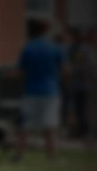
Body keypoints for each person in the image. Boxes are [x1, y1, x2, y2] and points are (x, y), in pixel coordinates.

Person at [14, 19, 67, 161]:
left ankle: (19, 155)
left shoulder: (28, 48)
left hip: (31, 91)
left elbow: (20, 70)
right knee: (50, 126)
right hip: (50, 91)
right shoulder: (55, 48)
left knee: (24, 125)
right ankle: (52, 156)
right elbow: (65, 70)